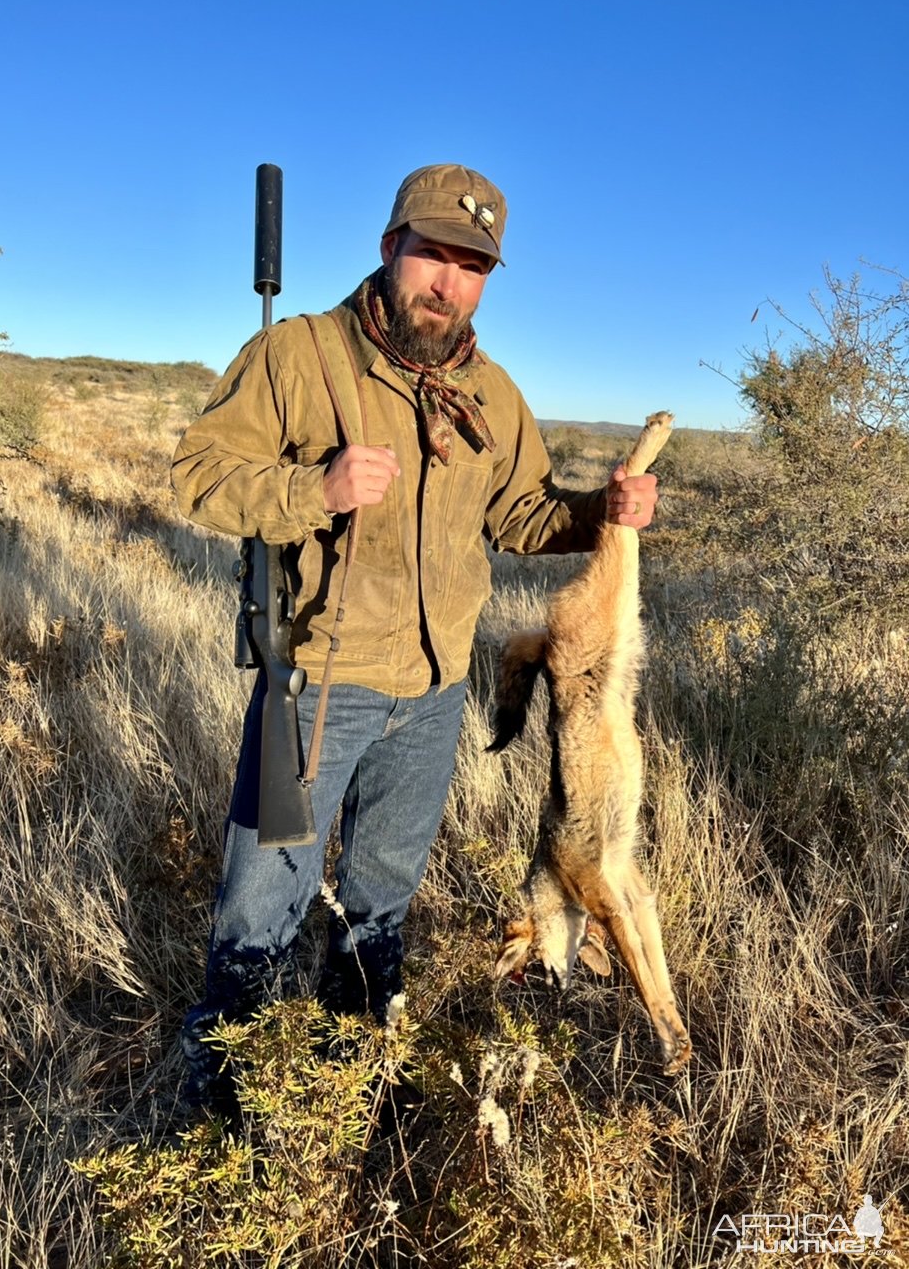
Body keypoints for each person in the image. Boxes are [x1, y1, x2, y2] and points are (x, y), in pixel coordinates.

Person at [171, 164, 661, 1108]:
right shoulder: (300, 357)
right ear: (389, 246)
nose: (448, 282)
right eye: (432, 253)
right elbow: (198, 472)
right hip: (318, 689)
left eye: (472, 265)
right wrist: (311, 492)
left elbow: (520, 514)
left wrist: (605, 510)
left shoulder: (493, 392)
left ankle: (347, 1093)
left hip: (434, 696)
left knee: (379, 910)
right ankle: (220, 1123)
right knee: (260, 908)